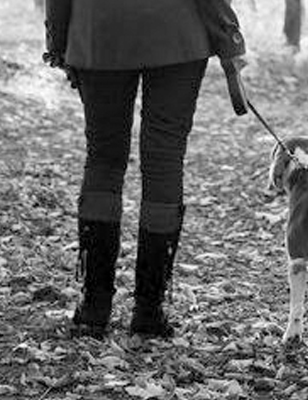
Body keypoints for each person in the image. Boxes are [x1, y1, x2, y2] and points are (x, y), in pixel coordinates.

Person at [44, 0, 246, 338]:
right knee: (164, 162)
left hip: (99, 33)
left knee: (104, 161)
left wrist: (60, 42)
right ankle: (149, 310)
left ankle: (95, 307)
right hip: (177, 33)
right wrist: (229, 37)